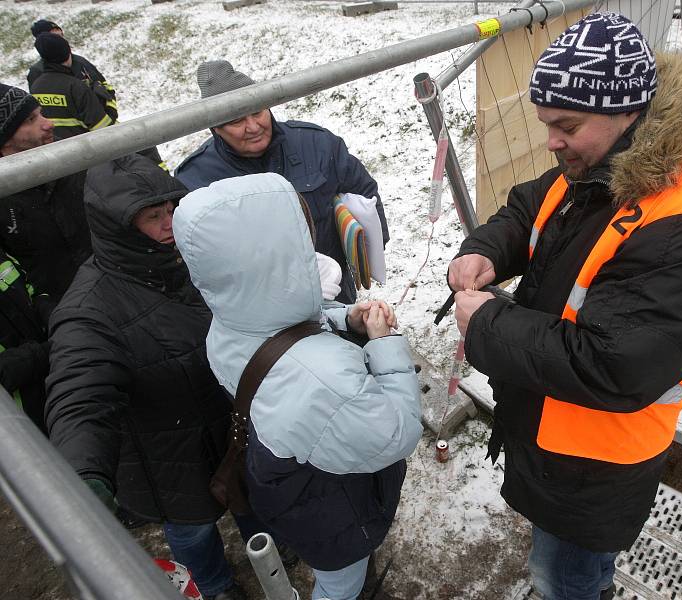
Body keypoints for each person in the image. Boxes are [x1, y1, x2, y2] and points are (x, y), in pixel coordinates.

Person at [447, 12, 682, 600]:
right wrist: (487, 250)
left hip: (595, 465)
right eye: (546, 124)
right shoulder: (598, 163)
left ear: (626, 111)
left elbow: (613, 363)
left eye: (567, 125)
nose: (552, 141)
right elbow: (529, 207)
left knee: (569, 579)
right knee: (556, 568)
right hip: (551, 432)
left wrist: (485, 323)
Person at [172, 172, 422, 600]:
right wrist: (384, 345)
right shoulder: (323, 381)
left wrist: (346, 319)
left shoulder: (230, 323)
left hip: (282, 480)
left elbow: (285, 328)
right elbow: (395, 433)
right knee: (341, 584)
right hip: (332, 509)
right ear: (281, 253)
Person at [45, 154, 258, 600]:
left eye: (173, 210)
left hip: (232, 426)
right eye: (152, 217)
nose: (169, 224)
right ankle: (216, 586)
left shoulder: (195, 256)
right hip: (166, 462)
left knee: (251, 498)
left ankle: (268, 547)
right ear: (117, 226)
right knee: (194, 530)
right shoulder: (89, 310)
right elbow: (80, 395)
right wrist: (83, 478)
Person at [174, 60, 389, 304]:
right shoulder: (195, 180)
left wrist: (367, 252)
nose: (253, 126)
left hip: (334, 291)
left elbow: (364, 193)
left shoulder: (315, 143)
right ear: (215, 128)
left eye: (257, 111)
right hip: (262, 311)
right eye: (236, 121)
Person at [0, 83, 91, 303]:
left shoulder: (71, 159)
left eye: (41, 113)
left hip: (115, 288)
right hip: (61, 314)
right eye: (30, 120)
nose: (48, 123)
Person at [0, 249, 53, 433]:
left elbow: (30, 287)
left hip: (55, 386)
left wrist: (50, 312)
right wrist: (38, 355)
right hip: (19, 429)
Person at [30, 33, 115, 139]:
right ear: (66, 53)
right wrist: (111, 109)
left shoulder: (35, 88)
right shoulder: (76, 87)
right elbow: (104, 128)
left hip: (58, 150)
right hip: (91, 148)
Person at [27, 19, 116, 106]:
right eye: (56, 37)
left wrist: (109, 107)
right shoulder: (37, 71)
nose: (63, 41)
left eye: (62, 35)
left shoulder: (80, 61)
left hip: (99, 116)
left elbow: (104, 84)